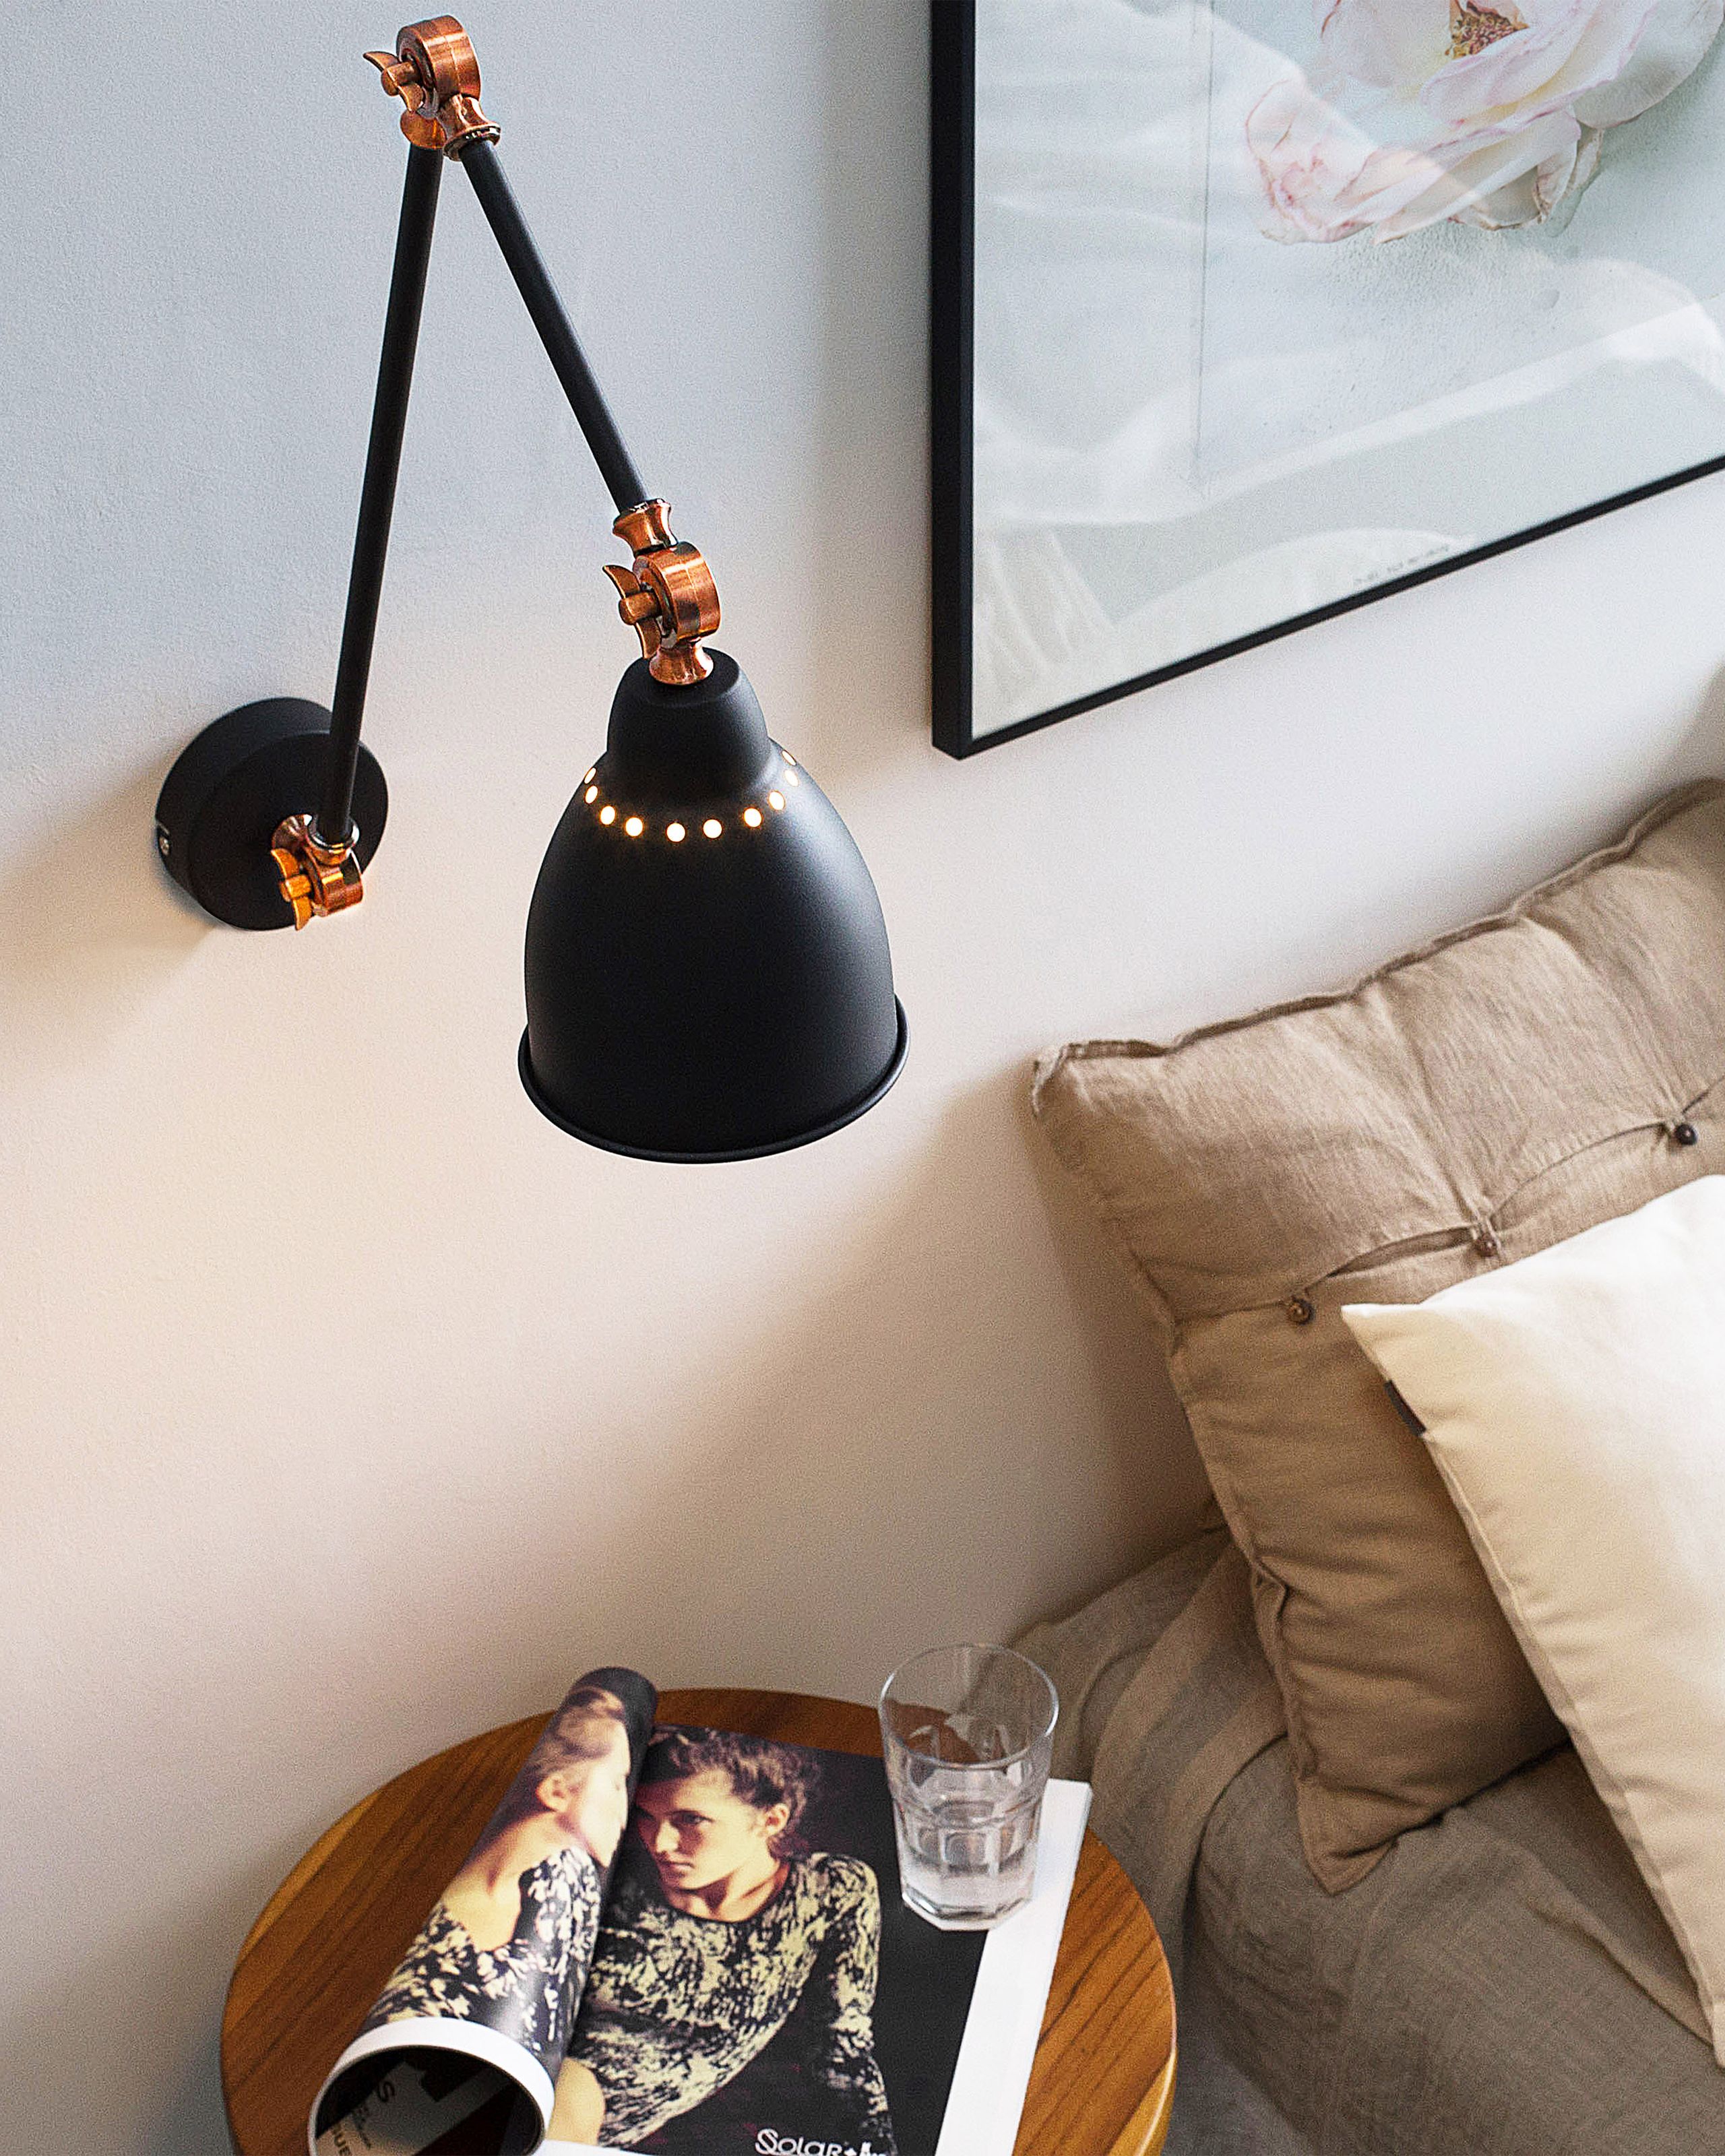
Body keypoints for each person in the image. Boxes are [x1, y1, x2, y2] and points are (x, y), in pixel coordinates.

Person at [558, 1729, 897, 2153]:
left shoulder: (832, 1890)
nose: (659, 1843)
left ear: (770, 1820)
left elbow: (841, 2044)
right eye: (645, 1815)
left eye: (690, 1819)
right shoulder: (614, 1873)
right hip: (548, 2099)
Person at [363, 1683, 634, 2063]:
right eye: (617, 1783)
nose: (626, 1808)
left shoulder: (567, 1878)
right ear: (557, 1792)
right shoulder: (429, 1966)